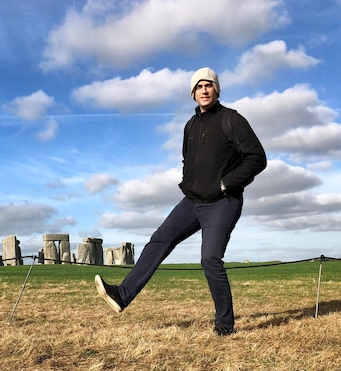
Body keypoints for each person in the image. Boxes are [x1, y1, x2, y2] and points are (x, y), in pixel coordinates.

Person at [95, 67, 266, 336]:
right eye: (199, 87)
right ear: (192, 93)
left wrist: (225, 184)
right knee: (159, 239)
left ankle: (224, 324)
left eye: (209, 85)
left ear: (216, 89)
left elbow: (257, 158)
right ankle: (122, 295)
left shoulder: (232, 119)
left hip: (223, 202)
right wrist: (189, 182)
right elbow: (188, 159)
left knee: (210, 259)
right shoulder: (190, 125)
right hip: (192, 201)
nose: (204, 91)